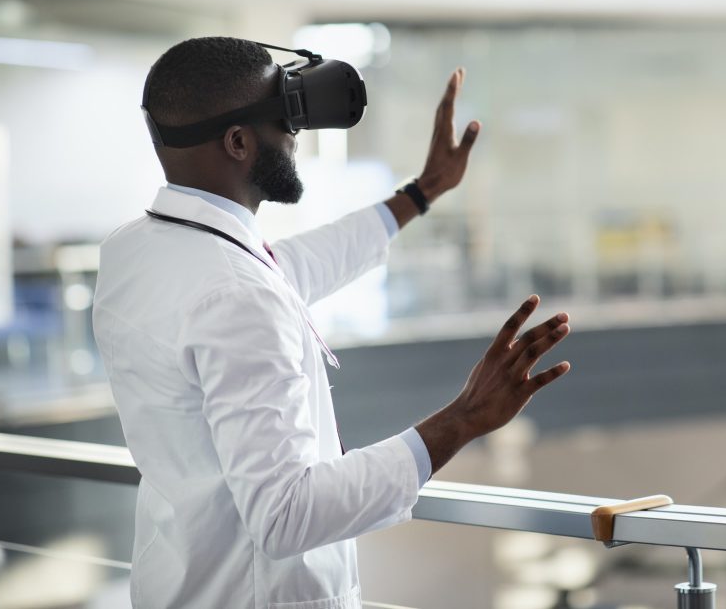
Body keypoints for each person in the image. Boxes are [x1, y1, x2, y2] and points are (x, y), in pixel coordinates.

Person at [91, 36, 572, 609]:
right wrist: (463, 420)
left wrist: (421, 193)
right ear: (239, 142)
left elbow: (291, 268)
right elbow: (286, 516)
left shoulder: (136, 250)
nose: (297, 135)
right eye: (285, 116)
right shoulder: (235, 293)